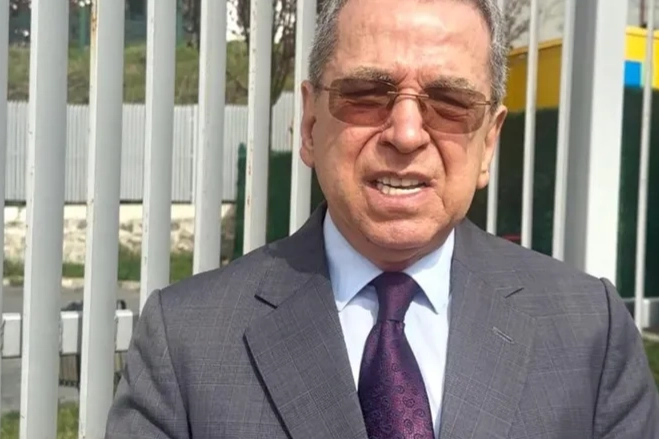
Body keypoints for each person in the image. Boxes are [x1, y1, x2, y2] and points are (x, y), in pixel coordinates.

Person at [105, 0, 659, 437]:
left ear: (488, 142)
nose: (407, 133)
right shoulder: (187, 343)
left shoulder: (590, 332)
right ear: (310, 124)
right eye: (367, 95)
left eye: (449, 102)